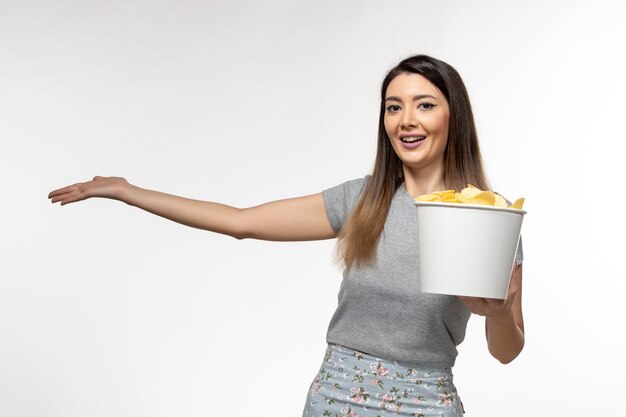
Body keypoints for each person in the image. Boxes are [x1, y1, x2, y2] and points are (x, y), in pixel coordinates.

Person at [48, 54, 525, 416]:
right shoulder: (362, 200)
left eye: (425, 105)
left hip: (425, 403)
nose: (407, 120)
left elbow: (507, 350)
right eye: (393, 107)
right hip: (336, 395)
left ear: (451, 116)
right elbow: (241, 222)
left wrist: (499, 312)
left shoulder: (486, 218)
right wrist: (129, 191)